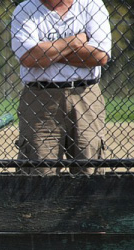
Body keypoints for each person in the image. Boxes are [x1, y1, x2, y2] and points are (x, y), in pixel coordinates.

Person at [11, 0, 111, 175]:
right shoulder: (25, 9)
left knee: (88, 169)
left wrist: (47, 53)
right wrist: (74, 42)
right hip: (40, 97)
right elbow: (29, 58)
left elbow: (100, 56)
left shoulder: (92, 5)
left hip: (85, 94)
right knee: (39, 172)